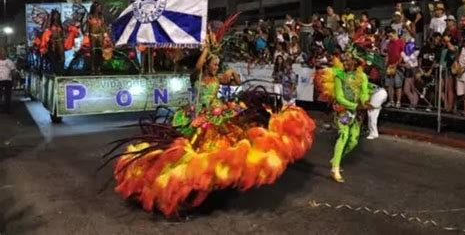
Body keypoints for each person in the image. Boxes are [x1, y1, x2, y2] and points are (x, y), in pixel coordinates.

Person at [111, 34, 316, 217]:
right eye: (214, 64)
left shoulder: (217, 77)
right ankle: (191, 189)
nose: (217, 67)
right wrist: (207, 49)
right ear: (207, 63)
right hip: (198, 115)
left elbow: (235, 79)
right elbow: (199, 66)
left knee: (225, 143)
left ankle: (213, 184)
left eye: (218, 64)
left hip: (214, 115)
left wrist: (231, 74)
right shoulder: (197, 76)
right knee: (194, 151)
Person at [329, 53, 371, 182]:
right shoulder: (339, 75)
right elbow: (339, 97)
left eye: (348, 59)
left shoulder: (362, 76)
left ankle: (336, 160)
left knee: (353, 141)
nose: (345, 61)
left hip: (356, 113)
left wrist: (365, 102)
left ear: (355, 62)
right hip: (343, 111)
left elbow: (364, 93)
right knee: (343, 135)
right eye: (344, 59)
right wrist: (355, 106)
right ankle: (335, 168)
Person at [86, 2, 109, 74]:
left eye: (100, 7)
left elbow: (103, 26)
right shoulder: (90, 16)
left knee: (100, 51)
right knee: (93, 52)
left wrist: (105, 33)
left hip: (100, 34)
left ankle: (99, 68)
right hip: (92, 35)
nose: (100, 8)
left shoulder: (101, 16)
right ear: (95, 8)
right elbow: (87, 26)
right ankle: (92, 68)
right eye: (99, 7)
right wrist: (87, 34)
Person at [384, 28, 405, 108]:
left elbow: (402, 55)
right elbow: (387, 54)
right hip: (390, 66)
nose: (390, 38)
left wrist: (396, 64)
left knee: (398, 84)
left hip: (398, 66)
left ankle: (398, 101)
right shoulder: (389, 43)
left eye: (391, 36)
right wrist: (386, 64)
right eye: (388, 36)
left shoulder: (400, 42)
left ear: (395, 33)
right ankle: (391, 101)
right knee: (389, 84)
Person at [401, 40, 420, 109]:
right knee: (406, 89)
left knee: (413, 88)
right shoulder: (405, 54)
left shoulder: (415, 53)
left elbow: (412, 62)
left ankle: (414, 104)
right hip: (408, 70)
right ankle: (413, 103)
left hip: (413, 70)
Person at [0, 48, 16, 113]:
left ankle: (7, 108)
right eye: (1, 54)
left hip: (8, 80)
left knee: (8, 95)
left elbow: (13, 71)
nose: (2, 55)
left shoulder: (9, 62)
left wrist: (14, 80)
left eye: (4, 54)